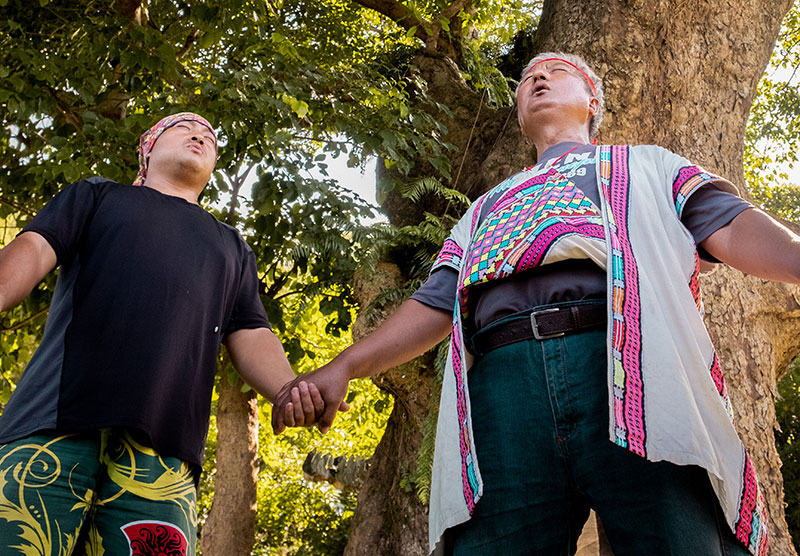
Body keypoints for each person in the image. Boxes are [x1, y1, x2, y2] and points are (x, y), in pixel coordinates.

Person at [272, 53, 800, 556]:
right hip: (503, 394)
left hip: (630, 368)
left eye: (557, 72)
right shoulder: (483, 209)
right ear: (520, 110)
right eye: (528, 79)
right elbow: (436, 302)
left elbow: (730, 225)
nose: (539, 80)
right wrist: (345, 365)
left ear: (593, 101)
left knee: (679, 541)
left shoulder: (651, 168)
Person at [0, 112, 326, 556]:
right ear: (148, 148)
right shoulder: (96, 196)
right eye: (184, 127)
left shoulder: (232, 246)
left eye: (210, 136)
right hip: (49, 428)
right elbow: (35, 248)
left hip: (166, 458)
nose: (201, 134)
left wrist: (289, 390)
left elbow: (250, 331)